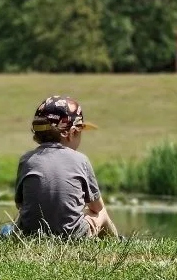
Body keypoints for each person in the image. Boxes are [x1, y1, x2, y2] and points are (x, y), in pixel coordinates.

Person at [13, 95, 119, 239]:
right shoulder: (81, 160)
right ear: (72, 133)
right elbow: (97, 207)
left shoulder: (26, 160)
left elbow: (20, 204)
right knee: (102, 213)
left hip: (31, 234)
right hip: (71, 235)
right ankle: (117, 241)